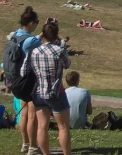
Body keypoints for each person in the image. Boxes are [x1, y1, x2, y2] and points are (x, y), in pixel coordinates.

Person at [22, 22, 72, 155]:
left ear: (43, 34)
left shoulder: (33, 51)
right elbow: (67, 64)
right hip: (56, 92)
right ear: (56, 35)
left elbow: (23, 71)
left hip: (39, 92)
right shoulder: (59, 50)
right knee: (63, 127)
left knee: (42, 127)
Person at [7, 6, 42, 154]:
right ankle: (33, 146)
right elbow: (39, 43)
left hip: (16, 80)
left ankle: (25, 144)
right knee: (32, 115)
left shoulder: (15, 35)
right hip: (28, 81)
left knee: (24, 114)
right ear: (31, 22)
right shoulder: (30, 40)